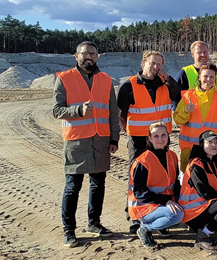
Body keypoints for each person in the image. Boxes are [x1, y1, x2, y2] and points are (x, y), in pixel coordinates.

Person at [53, 41, 119, 248]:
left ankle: (94, 223)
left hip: (100, 139)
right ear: (76, 56)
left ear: (97, 57)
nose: (88, 56)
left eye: (92, 53)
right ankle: (69, 230)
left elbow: (112, 112)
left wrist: (114, 138)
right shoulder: (64, 78)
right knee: (73, 187)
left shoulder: (106, 79)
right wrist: (78, 111)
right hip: (77, 141)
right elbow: (56, 111)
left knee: (98, 184)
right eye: (84, 53)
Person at [117, 50, 182, 234]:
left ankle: (157, 213)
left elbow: (177, 96)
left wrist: (168, 78)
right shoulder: (128, 86)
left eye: (159, 64)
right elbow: (121, 115)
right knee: (136, 180)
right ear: (143, 61)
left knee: (161, 177)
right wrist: (130, 133)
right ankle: (135, 217)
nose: (156, 67)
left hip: (161, 139)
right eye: (153, 63)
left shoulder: (164, 83)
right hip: (138, 140)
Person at [128, 122, 183, 248]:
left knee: (187, 207)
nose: (160, 139)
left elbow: (175, 184)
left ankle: (162, 225)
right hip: (144, 206)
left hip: (161, 203)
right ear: (150, 139)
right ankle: (145, 228)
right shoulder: (143, 161)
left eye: (163, 135)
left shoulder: (172, 156)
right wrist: (167, 201)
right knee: (177, 214)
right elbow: (139, 193)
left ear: (168, 137)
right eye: (156, 136)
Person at [173, 63, 217, 170]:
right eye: (205, 76)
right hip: (190, 150)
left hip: (212, 150)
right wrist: (186, 111)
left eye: (212, 77)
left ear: (215, 78)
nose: (208, 79)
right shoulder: (187, 96)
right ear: (199, 77)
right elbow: (177, 120)